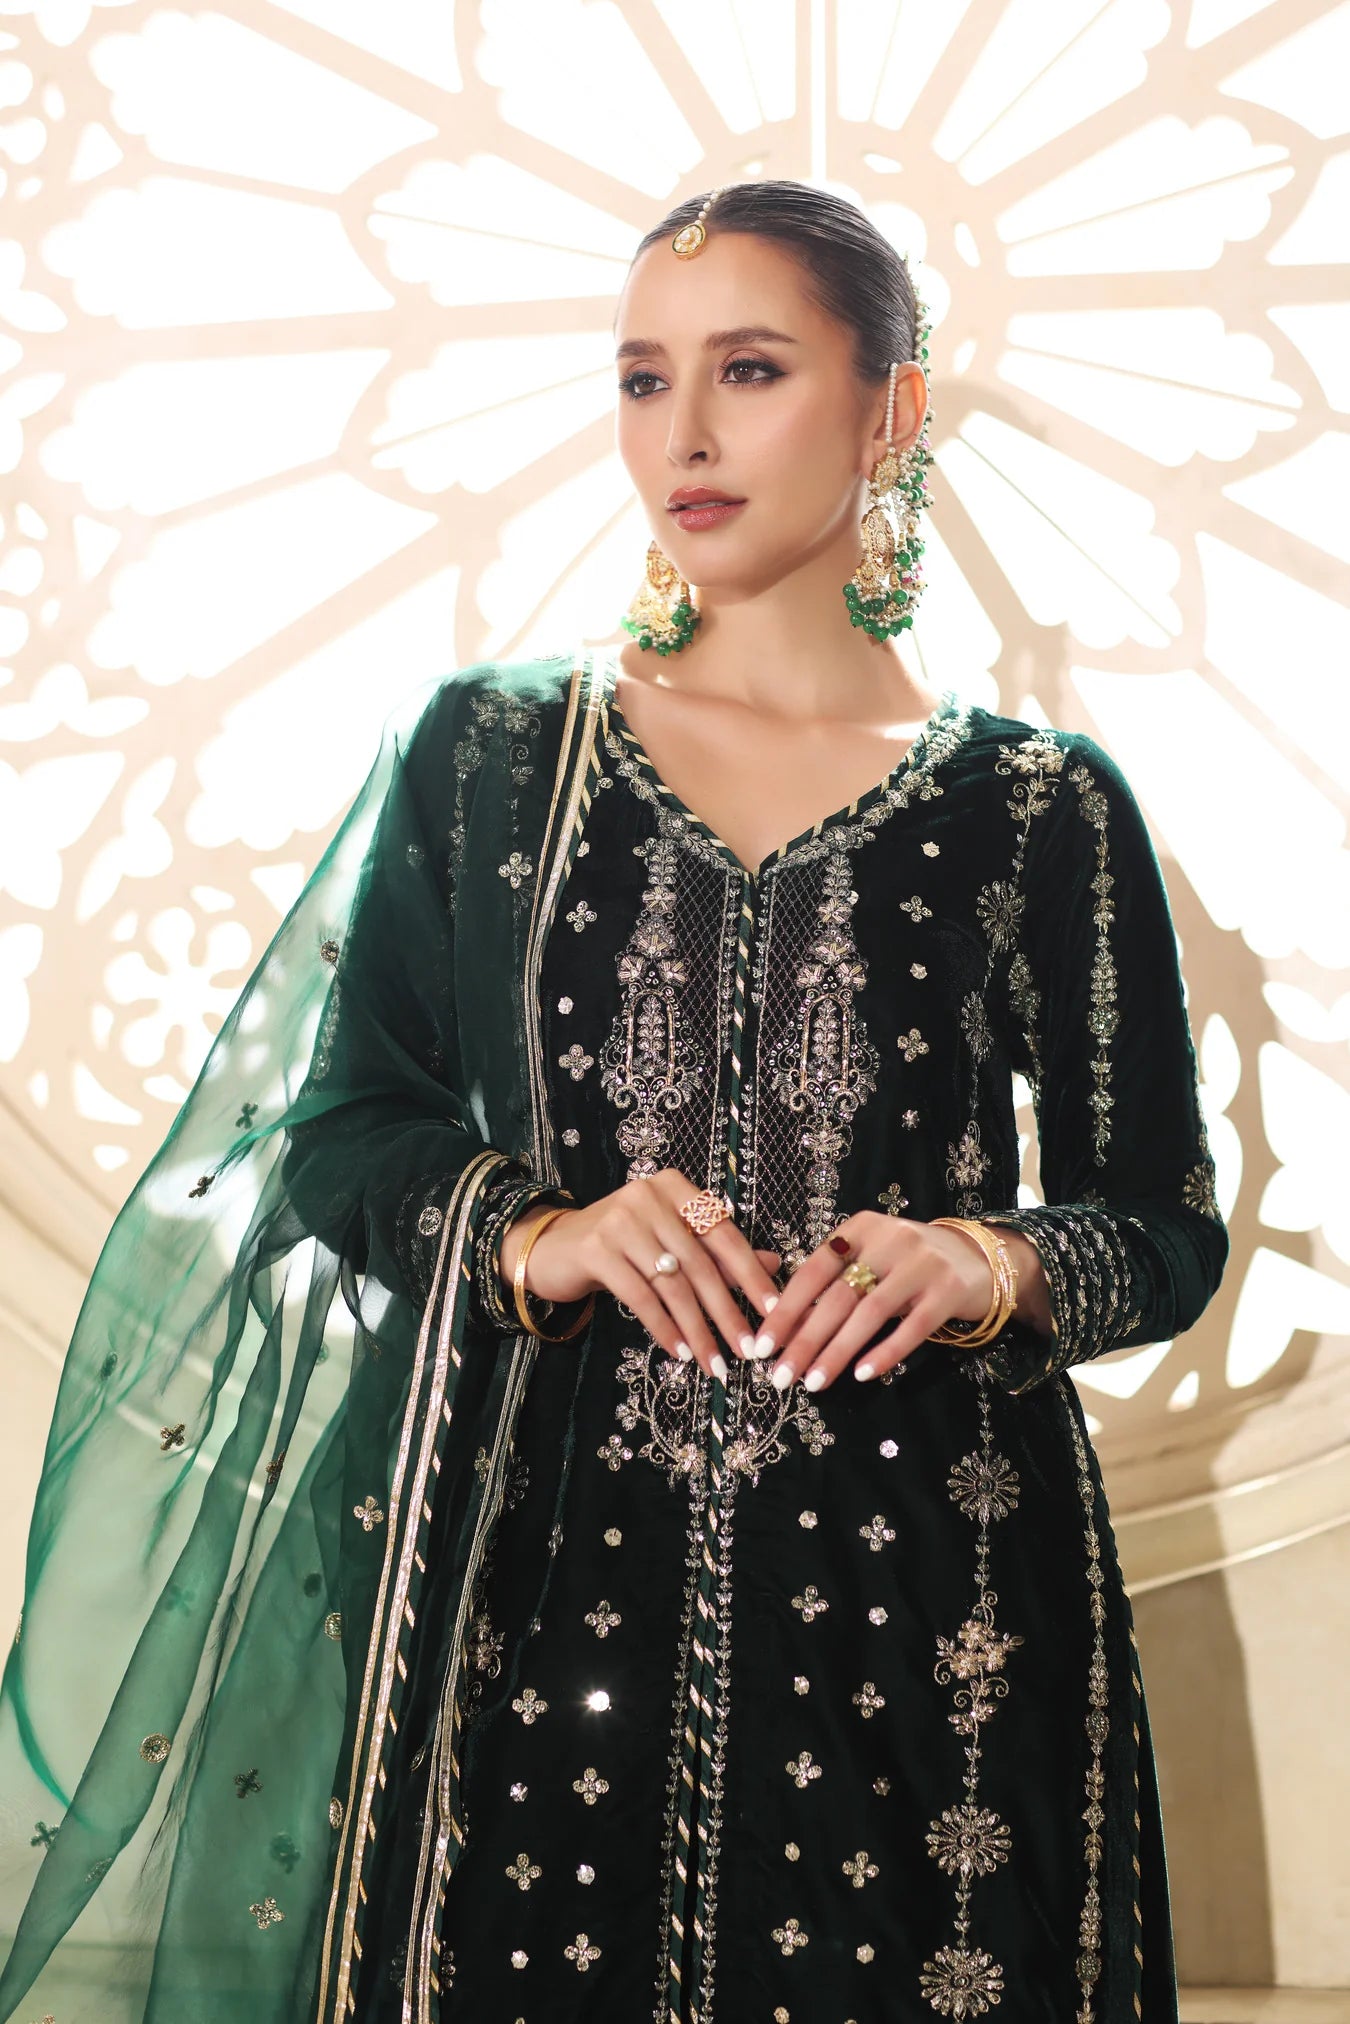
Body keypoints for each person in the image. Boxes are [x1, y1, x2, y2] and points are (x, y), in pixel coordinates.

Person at [0, 180, 1228, 2024]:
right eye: (645, 380)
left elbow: (1161, 1224)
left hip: (935, 1602)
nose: (685, 436)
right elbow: (338, 1133)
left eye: (751, 370)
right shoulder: (492, 753)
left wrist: (985, 1261)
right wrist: (541, 1234)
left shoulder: (1039, 804)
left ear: (889, 408)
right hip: (538, 1574)